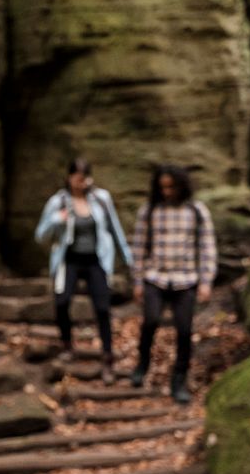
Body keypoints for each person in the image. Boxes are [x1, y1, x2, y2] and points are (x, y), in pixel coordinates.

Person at [34, 158, 133, 382]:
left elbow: (114, 228)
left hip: (95, 260)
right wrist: (57, 220)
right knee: (61, 301)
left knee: (102, 307)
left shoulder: (101, 199)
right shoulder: (58, 202)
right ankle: (67, 345)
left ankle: (107, 356)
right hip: (68, 260)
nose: (81, 183)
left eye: (84, 178)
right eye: (77, 179)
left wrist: (127, 258)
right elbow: (40, 235)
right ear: (70, 178)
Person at [129, 165, 218, 405]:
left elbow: (207, 248)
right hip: (154, 278)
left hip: (186, 280)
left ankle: (178, 380)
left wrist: (206, 281)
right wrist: (137, 281)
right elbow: (138, 248)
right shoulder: (149, 211)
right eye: (163, 187)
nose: (167, 192)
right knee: (150, 321)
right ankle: (142, 364)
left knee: (184, 330)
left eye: (171, 186)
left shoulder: (197, 211)